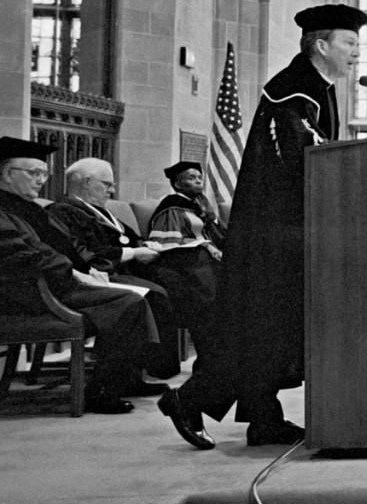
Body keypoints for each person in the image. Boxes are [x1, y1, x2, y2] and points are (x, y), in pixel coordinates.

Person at [158, 2, 366, 450]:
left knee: (270, 329)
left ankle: (264, 419)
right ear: (321, 44)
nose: (357, 52)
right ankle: (188, 399)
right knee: (260, 328)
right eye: (349, 43)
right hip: (274, 236)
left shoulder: (316, 87)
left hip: (290, 232)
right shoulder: (291, 92)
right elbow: (302, 164)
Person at [0, 137, 156, 413]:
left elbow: (65, 246)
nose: (41, 181)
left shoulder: (31, 208)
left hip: (54, 284)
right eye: (33, 173)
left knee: (136, 296)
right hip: (28, 296)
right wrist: (75, 272)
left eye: (44, 174)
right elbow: (24, 255)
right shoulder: (3, 210)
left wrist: (88, 268)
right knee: (127, 303)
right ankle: (102, 393)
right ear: (7, 174)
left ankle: (121, 381)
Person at [36, 157, 181, 382]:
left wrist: (144, 244)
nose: (112, 191)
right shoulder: (64, 211)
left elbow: (129, 237)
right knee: (154, 294)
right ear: (86, 182)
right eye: (107, 184)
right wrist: (133, 253)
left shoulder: (101, 211)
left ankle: (144, 372)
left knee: (176, 281)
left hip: (121, 268)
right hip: (97, 275)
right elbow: (84, 253)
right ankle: (143, 373)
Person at [144, 161, 223, 368]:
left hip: (198, 258)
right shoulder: (171, 207)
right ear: (178, 184)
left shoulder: (199, 203)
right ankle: (210, 359)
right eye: (191, 177)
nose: (198, 180)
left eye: (199, 177)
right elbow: (168, 242)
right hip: (178, 262)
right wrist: (206, 245)